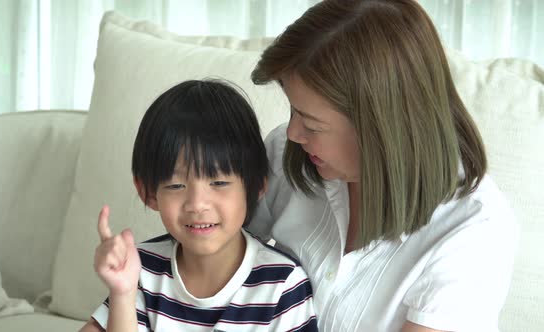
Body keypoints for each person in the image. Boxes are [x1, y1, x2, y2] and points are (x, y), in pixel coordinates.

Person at [247, 0, 518, 331]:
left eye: (312, 124)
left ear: (380, 127)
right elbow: (208, 265)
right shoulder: (285, 152)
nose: (293, 132)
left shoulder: (473, 231)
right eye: (293, 110)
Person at [79, 79, 318, 332]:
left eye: (218, 182)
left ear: (257, 184)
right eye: (176, 186)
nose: (197, 204)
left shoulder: (282, 285)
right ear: (147, 192)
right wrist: (122, 294)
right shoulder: (140, 268)